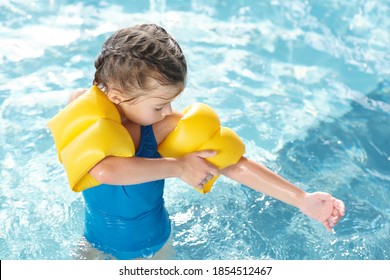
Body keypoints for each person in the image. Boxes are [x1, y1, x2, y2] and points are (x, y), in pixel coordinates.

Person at [64, 24, 345, 259]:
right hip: (95, 244)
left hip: (156, 248)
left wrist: (302, 199)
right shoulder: (83, 113)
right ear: (116, 97)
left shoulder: (163, 127)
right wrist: (177, 167)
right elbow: (104, 170)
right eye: (160, 104)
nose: (169, 111)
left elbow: (231, 163)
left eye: (171, 102)